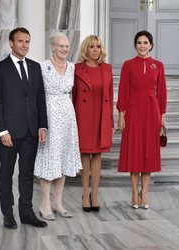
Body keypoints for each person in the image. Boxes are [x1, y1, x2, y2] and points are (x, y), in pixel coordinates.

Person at [0, 27, 48, 229]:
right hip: (9, 133)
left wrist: (42, 125)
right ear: (11, 43)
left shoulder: (35, 67)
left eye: (27, 41)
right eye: (21, 41)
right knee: (6, 173)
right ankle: (8, 214)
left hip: (31, 131)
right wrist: (2, 130)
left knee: (26, 174)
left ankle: (26, 212)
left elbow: (40, 98)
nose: (24, 45)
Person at [117, 30, 167, 209]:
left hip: (152, 111)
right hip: (133, 110)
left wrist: (163, 115)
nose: (142, 46)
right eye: (139, 42)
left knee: (149, 153)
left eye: (145, 42)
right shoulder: (128, 65)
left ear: (151, 45)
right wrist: (121, 115)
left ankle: (144, 192)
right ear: (135, 45)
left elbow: (161, 91)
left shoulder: (158, 65)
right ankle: (133, 192)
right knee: (134, 152)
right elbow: (123, 90)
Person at [34, 32, 82, 220]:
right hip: (49, 115)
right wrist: (41, 124)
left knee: (62, 159)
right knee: (50, 160)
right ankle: (44, 204)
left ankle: (58, 203)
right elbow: (38, 95)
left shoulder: (71, 67)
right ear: (52, 47)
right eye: (61, 45)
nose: (64, 49)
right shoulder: (42, 66)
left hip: (68, 117)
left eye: (67, 46)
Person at [72, 35, 114, 212]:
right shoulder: (76, 69)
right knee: (85, 155)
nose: (95, 49)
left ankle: (94, 194)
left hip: (101, 116)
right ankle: (84, 192)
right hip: (83, 116)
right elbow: (73, 96)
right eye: (91, 46)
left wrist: (111, 120)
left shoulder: (107, 68)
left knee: (97, 156)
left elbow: (110, 97)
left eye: (98, 46)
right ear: (85, 49)